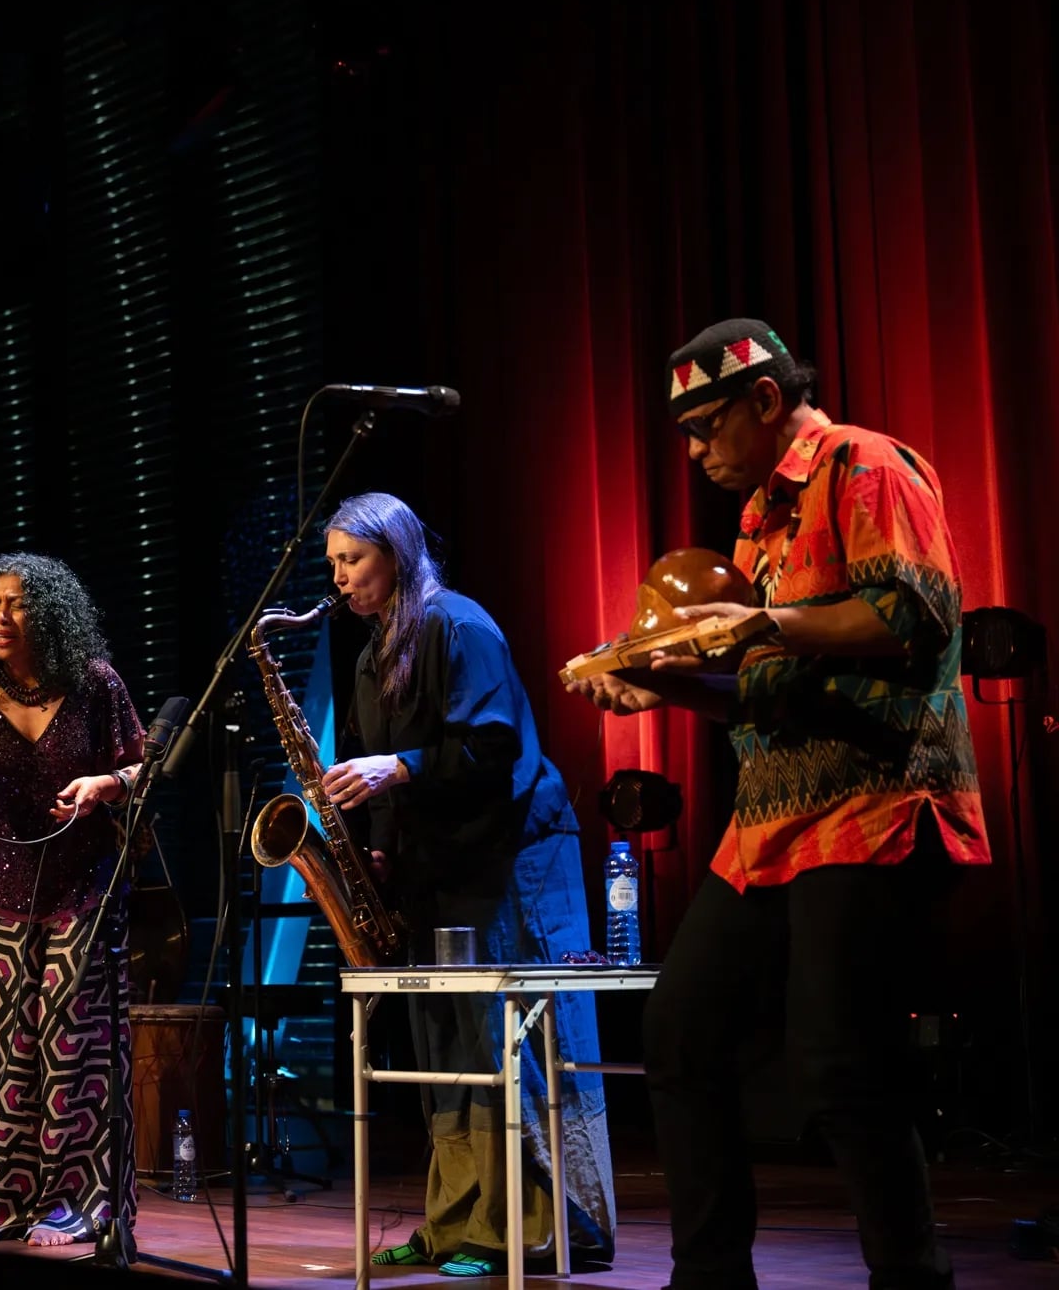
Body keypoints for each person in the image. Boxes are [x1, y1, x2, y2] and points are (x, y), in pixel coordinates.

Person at [566, 317, 989, 1289]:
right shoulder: (758, 522)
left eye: (705, 425)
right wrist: (658, 683)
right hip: (772, 821)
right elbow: (763, 687)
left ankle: (908, 1277)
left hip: (873, 800)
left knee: (840, 1063)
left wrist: (756, 618)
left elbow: (913, 613)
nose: (692, 451)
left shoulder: (861, 465)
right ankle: (708, 1277)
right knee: (678, 1033)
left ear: (763, 400)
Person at [320, 491, 618, 1277]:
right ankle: (457, 1220)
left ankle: (547, 1226)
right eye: (334, 565)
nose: (341, 578)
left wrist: (403, 767)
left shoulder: (460, 623)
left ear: (396, 551)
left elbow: (493, 749)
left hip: (513, 857)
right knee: (447, 1047)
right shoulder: (369, 654)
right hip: (439, 868)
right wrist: (381, 852)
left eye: (353, 559)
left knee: (511, 1042)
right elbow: (386, 781)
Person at [0, 553, 147, 1246]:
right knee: (1, 1054)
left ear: (48, 612)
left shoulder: (94, 685)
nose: (0, 615)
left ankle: (80, 1201)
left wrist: (103, 785)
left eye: (17, 603)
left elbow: (147, 764)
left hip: (81, 888)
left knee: (73, 1046)